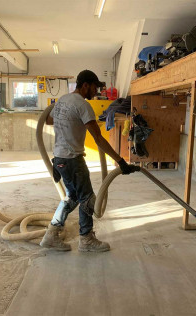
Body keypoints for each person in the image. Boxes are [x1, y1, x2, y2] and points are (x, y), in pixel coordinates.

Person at [40, 69, 131, 252]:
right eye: (95, 87)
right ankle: (86, 239)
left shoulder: (63, 101)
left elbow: (50, 121)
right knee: (88, 199)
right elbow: (98, 139)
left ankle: (51, 235)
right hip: (73, 160)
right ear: (86, 85)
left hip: (59, 159)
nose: (96, 92)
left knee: (71, 198)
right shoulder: (82, 105)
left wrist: (73, 122)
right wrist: (120, 161)